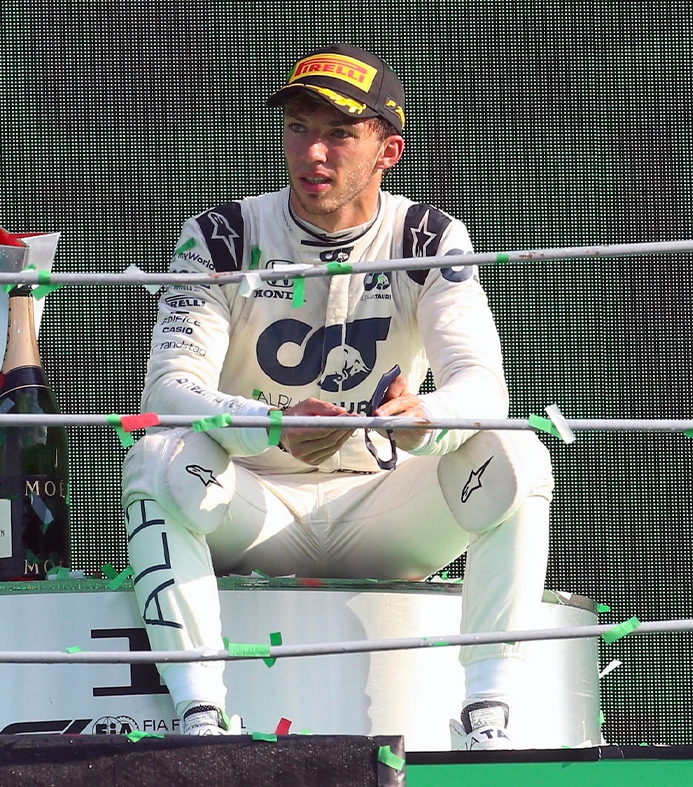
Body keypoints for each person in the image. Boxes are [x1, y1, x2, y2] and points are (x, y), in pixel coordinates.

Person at [121, 43, 554, 750]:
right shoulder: (220, 234)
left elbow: (482, 384)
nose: (312, 152)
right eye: (298, 127)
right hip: (253, 508)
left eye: (339, 133)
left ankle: (488, 715)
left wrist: (428, 420)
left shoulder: (427, 235)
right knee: (155, 455)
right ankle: (199, 716)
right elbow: (169, 389)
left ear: (389, 150)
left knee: (515, 453)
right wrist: (268, 427)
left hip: (383, 508)